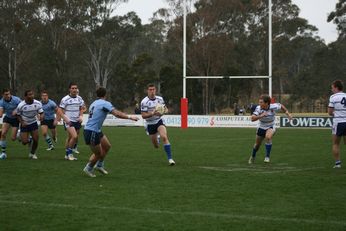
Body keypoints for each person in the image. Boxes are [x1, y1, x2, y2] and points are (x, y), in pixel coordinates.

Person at [83, 87, 139, 177]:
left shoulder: (94, 103)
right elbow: (116, 113)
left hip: (96, 130)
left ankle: (99, 165)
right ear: (106, 95)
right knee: (98, 154)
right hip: (92, 131)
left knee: (107, 146)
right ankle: (88, 168)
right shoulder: (105, 103)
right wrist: (130, 117)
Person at [248, 94, 292, 164]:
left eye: (261, 102)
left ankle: (267, 157)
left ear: (267, 103)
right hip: (261, 126)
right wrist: (261, 115)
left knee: (268, 137)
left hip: (271, 125)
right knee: (257, 145)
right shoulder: (258, 108)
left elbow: (281, 106)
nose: (259, 104)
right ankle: (253, 156)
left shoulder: (273, 107)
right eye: (259, 102)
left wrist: (288, 114)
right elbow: (252, 119)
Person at [141, 83, 175, 166]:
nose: (152, 91)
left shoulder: (160, 99)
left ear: (155, 90)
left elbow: (165, 108)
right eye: (150, 90)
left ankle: (170, 159)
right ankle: (157, 139)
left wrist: (165, 111)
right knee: (156, 146)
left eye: (153, 89)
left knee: (164, 137)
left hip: (159, 121)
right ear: (147, 91)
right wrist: (152, 113)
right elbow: (143, 116)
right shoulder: (144, 102)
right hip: (150, 123)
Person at [57, 83, 84, 161]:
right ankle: (70, 154)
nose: (74, 90)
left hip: (77, 121)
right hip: (69, 121)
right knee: (74, 137)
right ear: (69, 89)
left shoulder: (79, 98)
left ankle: (66, 155)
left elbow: (81, 108)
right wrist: (65, 119)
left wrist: (81, 116)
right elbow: (60, 111)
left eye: (75, 88)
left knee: (70, 137)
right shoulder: (65, 99)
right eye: (72, 88)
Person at [16, 90, 44, 159]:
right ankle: (26, 138)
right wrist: (22, 122)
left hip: (33, 122)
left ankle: (32, 153)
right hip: (24, 124)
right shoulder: (21, 105)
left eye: (32, 94)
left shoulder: (37, 103)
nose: (31, 96)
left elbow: (41, 112)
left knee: (36, 140)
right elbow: (17, 115)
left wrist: (42, 116)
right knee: (24, 142)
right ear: (25, 96)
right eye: (29, 94)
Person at [328, 80, 346, 168]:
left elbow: (330, 112)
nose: (331, 89)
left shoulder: (333, 97)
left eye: (332, 87)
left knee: (336, 143)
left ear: (336, 87)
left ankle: (338, 163)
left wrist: (336, 113)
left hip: (338, 122)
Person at [0, 89, 22, 159]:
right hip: (7, 118)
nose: (8, 96)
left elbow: (23, 106)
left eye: (9, 94)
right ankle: (3, 153)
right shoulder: (1, 101)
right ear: (3, 95)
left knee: (13, 138)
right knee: (3, 134)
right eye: (6, 94)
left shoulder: (16, 99)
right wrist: (0, 113)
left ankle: (27, 138)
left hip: (16, 119)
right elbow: (1, 112)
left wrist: (16, 110)